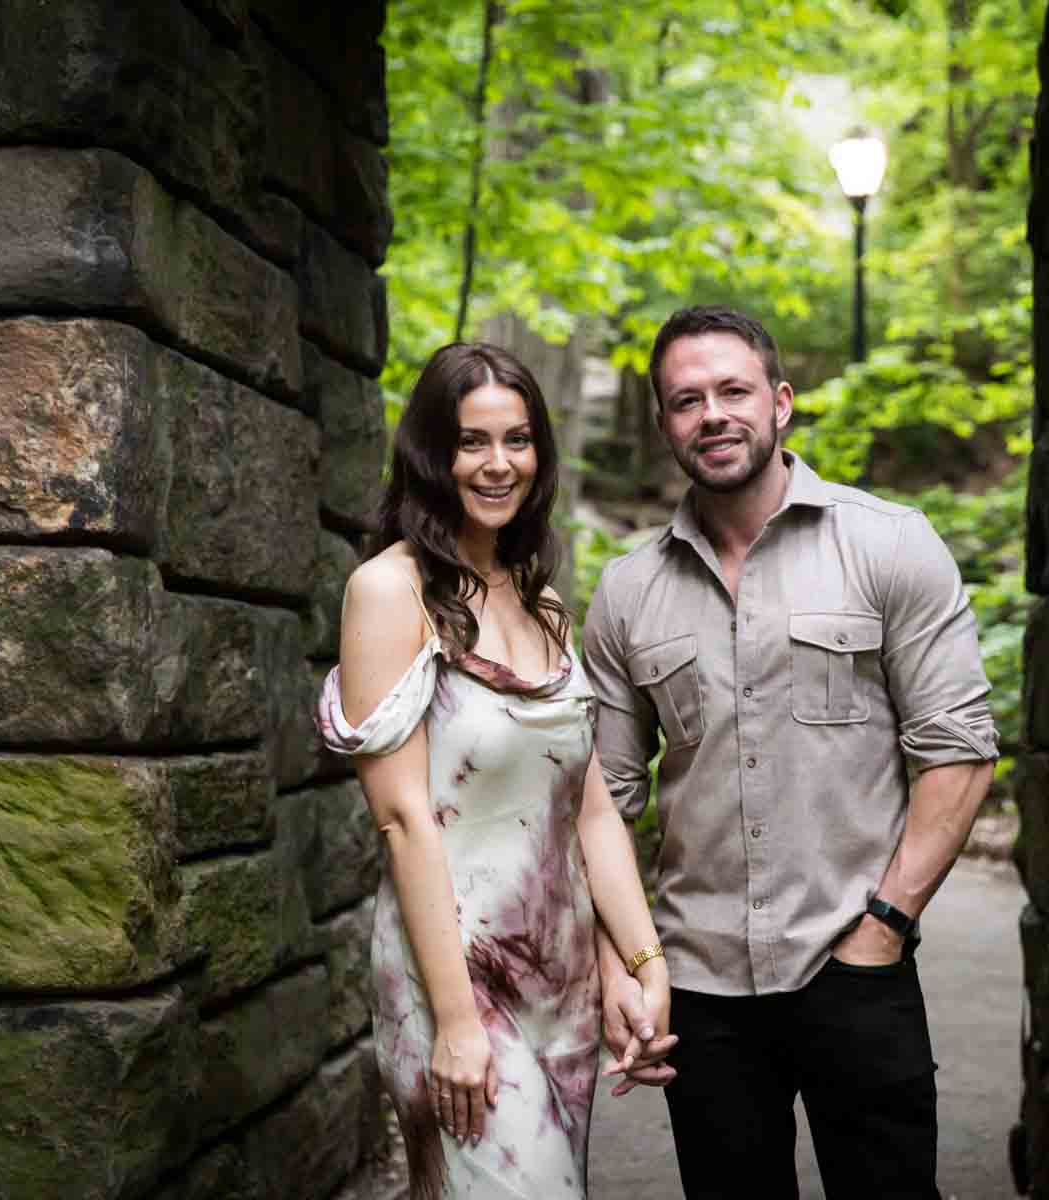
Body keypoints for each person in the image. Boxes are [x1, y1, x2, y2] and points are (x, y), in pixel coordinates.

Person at [584, 306, 999, 1198]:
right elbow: (602, 802)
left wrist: (885, 927)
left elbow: (959, 752)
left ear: (781, 403)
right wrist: (616, 961)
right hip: (701, 989)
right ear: (665, 425)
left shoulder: (889, 544)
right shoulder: (626, 593)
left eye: (733, 390)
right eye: (686, 400)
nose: (713, 414)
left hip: (856, 960)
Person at [318, 342, 672, 1200]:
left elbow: (588, 812)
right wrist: (455, 1022)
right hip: (456, 973)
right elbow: (404, 821)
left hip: (560, 974)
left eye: (517, 439)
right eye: (472, 442)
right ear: (431, 455)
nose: (498, 463)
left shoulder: (541, 599)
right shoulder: (386, 591)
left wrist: (638, 960)